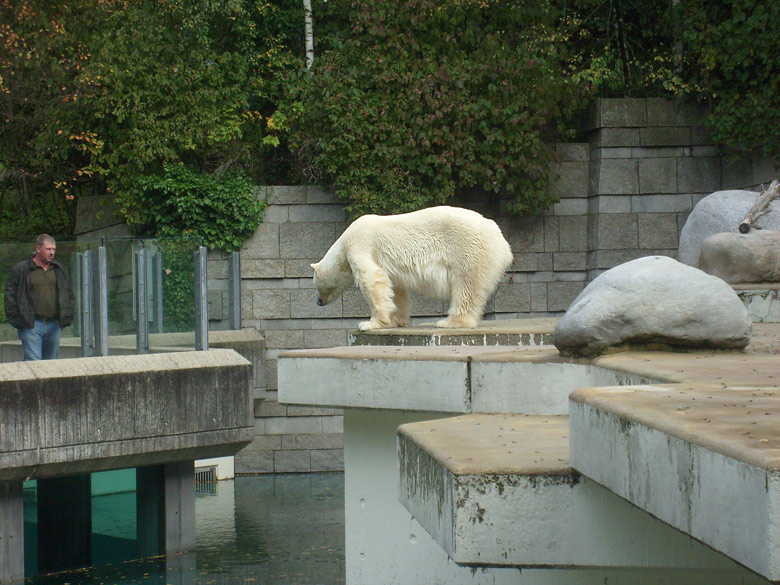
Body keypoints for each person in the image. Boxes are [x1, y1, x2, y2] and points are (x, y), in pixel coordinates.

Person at [4, 234, 74, 360]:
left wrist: (65, 318)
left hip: (54, 324)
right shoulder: (21, 270)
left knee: (51, 363)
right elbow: (10, 297)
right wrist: (19, 321)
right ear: (38, 249)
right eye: (48, 249)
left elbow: (68, 295)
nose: (51, 252)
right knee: (33, 362)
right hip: (31, 324)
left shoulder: (59, 269)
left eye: (54, 249)